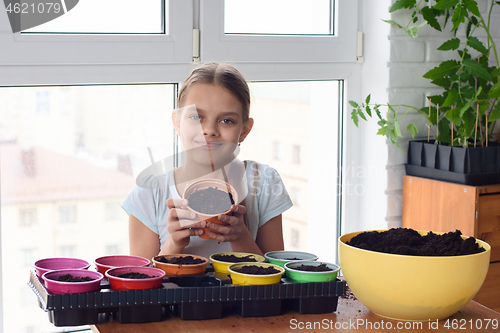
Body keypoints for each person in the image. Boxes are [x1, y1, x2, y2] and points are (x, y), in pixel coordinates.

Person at [121, 62, 293, 260]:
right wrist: (174, 243)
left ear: (244, 130)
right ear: (177, 122)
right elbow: (143, 285)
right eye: (196, 117)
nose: (209, 130)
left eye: (226, 120)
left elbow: (278, 280)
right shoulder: (149, 193)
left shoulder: (263, 181)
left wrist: (241, 237)